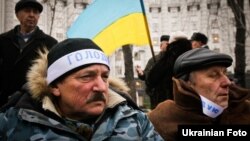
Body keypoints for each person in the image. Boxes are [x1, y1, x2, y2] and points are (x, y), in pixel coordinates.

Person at [0, 38, 163, 141]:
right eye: (86, 77)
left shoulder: (136, 121)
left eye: (105, 76)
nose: (101, 87)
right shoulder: (12, 125)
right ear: (55, 86)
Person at [148, 48, 250, 141]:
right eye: (213, 75)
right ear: (187, 84)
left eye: (225, 73)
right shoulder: (161, 120)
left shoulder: (245, 111)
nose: (227, 82)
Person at [0, 0, 58, 107]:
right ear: (17, 15)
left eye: (35, 12)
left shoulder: (50, 43)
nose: (31, 15)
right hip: (3, 101)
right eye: (27, 11)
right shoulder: (3, 40)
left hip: (32, 103)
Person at [145, 36, 192, 109]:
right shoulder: (192, 57)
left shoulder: (167, 60)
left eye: (168, 43)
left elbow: (151, 79)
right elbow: (148, 75)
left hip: (167, 103)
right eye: (166, 43)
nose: (167, 45)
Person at [135, 35, 170, 108]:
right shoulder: (153, 60)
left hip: (169, 96)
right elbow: (146, 75)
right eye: (167, 44)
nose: (168, 46)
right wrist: (141, 74)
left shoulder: (172, 60)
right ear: (161, 46)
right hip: (156, 96)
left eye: (170, 44)